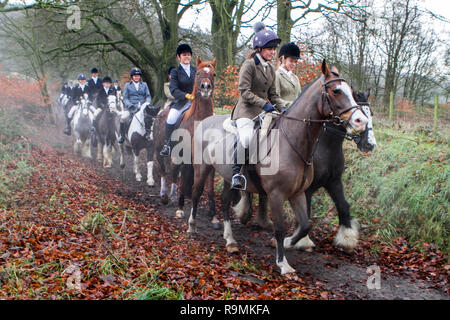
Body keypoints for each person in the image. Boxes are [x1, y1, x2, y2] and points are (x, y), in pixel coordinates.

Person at [230, 22, 287, 189]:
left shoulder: (270, 69)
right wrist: (265, 104)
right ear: (259, 48)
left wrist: (282, 107)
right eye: (269, 48)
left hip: (263, 112)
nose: (273, 52)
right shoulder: (249, 65)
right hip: (246, 111)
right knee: (247, 138)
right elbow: (244, 91)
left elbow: (274, 95)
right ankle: (236, 173)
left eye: (274, 49)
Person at [160, 44, 196, 157]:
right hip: (181, 102)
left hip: (196, 102)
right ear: (179, 57)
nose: (187, 57)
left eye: (189, 55)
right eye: (184, 55)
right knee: (171, 118)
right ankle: (168, 145)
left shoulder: (196, 70)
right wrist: (186, 95)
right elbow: (173, 89)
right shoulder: (175, 72)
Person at [117, 67, 152, 143]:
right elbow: (125, 98)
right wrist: (130, 105)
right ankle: (122, 136)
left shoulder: (144, 85)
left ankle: (149, 135)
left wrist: (147, 103)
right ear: (132, 77)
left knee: (151, 118)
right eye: (135, 76)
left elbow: (148, 96)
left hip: (143, 107)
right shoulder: (127, 85)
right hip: (131, 108)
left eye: (138, 76)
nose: (137, 77)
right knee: (122, 118)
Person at [275, 42, 301, 107]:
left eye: (295, 61)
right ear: (283, 58)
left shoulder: (295, 78)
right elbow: (275, 99)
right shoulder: (276, 75)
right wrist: (293, 105)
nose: (294, 64)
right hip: (282, 113)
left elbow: (300, 96)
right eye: (291, 61)